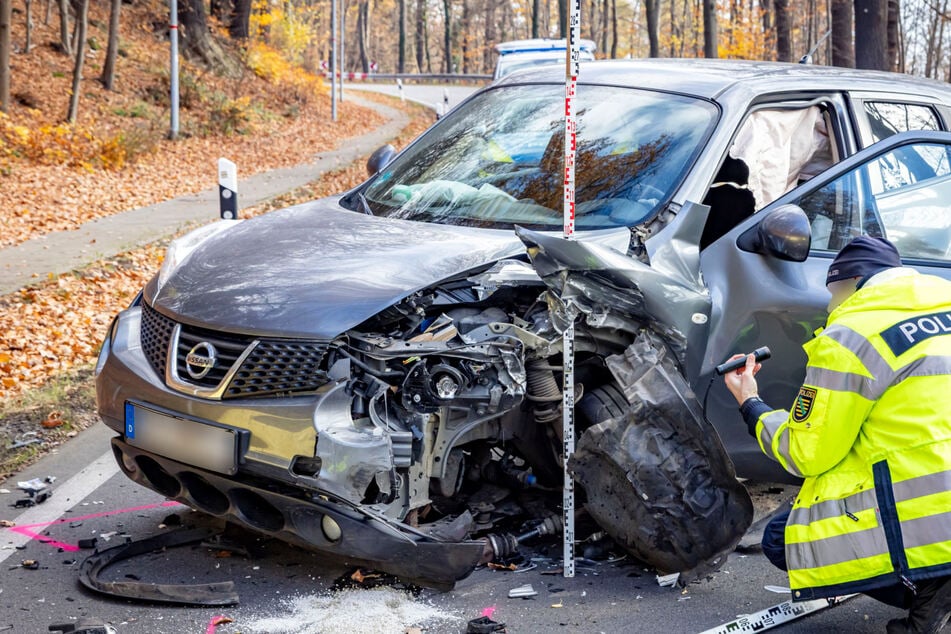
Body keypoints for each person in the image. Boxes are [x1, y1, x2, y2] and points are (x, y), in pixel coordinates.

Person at [723, 236, 951, 633]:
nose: (830, 306)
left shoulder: (849, 336)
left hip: (932, 513)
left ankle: (933, 591)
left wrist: (750, 402)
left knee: (782, 537)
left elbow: (807, 453)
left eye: (833, 294)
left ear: (851, 284)